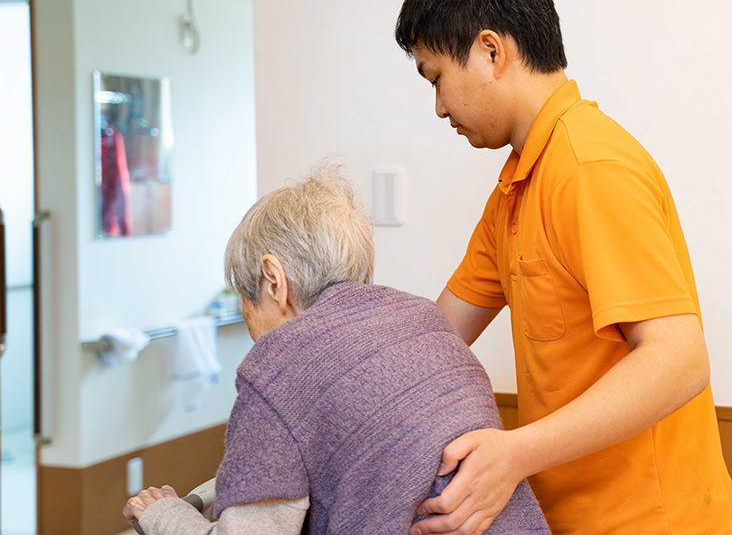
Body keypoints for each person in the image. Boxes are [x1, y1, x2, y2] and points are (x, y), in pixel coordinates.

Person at [395, 0, 732, 535]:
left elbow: (680, 360)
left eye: (438, 79)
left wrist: (514, 454)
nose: (439, 107)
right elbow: (437, 338)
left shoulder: (589, 167)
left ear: (490, 50)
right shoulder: (517, 185)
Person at [122, 169, 550, 535]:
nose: (248, 320)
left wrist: (161, 515)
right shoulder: (423, 319)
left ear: (274, 280)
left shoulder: (281, 365)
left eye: (245, 298)